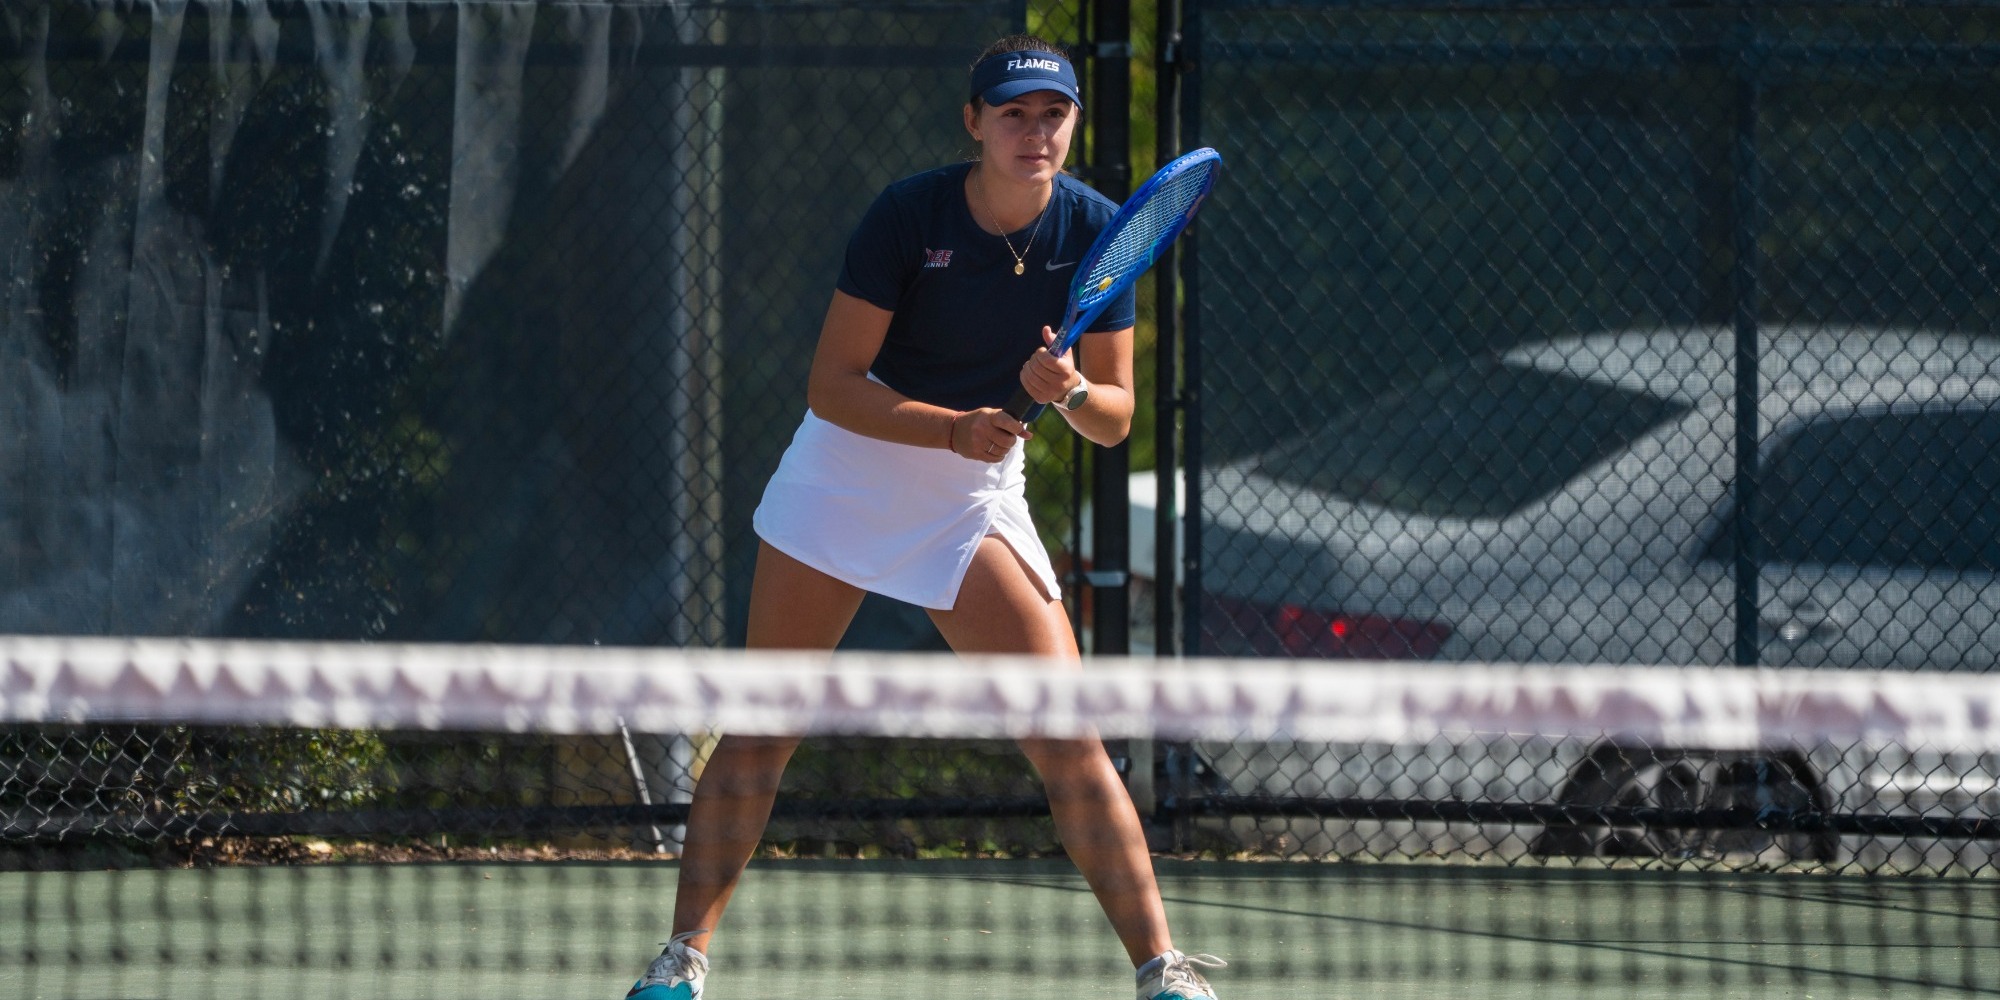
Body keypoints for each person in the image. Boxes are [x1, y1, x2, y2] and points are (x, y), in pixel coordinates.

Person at [622, 34, 1223, 1000]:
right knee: (765, 724)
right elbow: (832, 386)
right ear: (975, 121)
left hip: (970, 501)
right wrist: (950, 429)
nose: (1036, 133)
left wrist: (1066, 394)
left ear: (1072, 123)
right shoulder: (910, 215)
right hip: (851, 472)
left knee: (1067, 738)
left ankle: (1163, 975)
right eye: (1014, 113)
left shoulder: (1099, 232)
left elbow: (1115, 420)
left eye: (1054, 114)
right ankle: (681, 960)